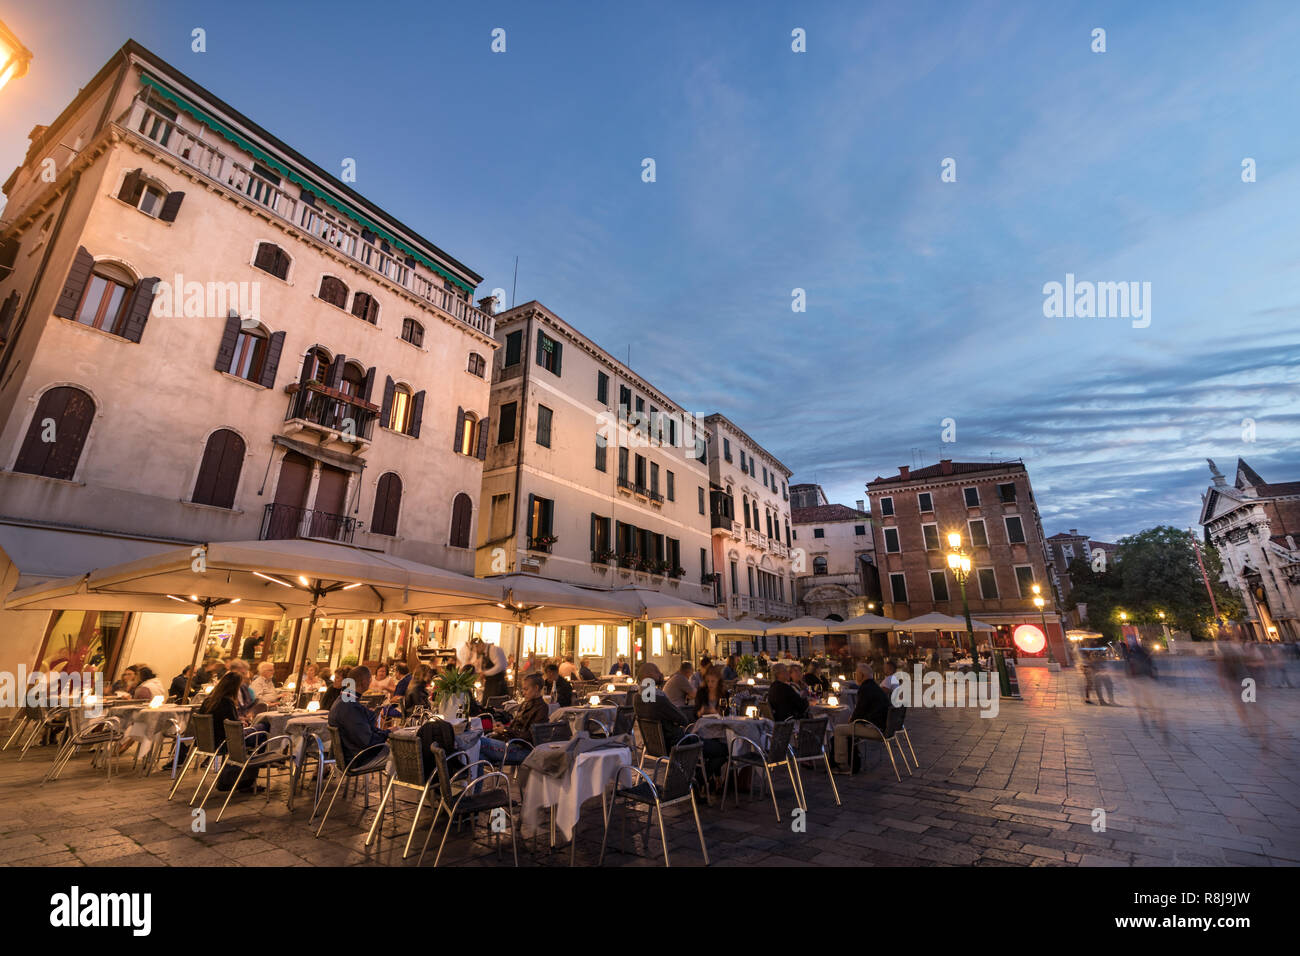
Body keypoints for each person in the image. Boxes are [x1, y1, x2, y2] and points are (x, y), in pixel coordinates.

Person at [832, 662, 892, 769]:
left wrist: (851, 721)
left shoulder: (865, 689)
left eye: (856, 674)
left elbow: (859, 713)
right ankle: (850, 760)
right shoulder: (875, 687)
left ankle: (840, 764)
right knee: (849, 727)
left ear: (861, 675)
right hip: (885, 727)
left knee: (838, 729)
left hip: (877, 730)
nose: (855, 677)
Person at [480, 674, 550, 764]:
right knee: (479, 756)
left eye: (526, 689)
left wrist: (505, 730)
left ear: (536, 688)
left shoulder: (542, 708)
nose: (523, 693)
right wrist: (503, 728)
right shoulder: (525, 704)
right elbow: (515, 727)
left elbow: (530, 736)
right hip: (512, 744)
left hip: (524, 750)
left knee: (479, 742)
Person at [328, 666, 389, 766]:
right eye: (370, 680)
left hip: (345, 755)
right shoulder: (350, 706)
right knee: (399, 752)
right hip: (356, 759)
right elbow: (368, 741)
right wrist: (388, 733)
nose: (370, 683)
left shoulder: (342, 699)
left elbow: (361, 730)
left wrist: (384, 732)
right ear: (364, 682)